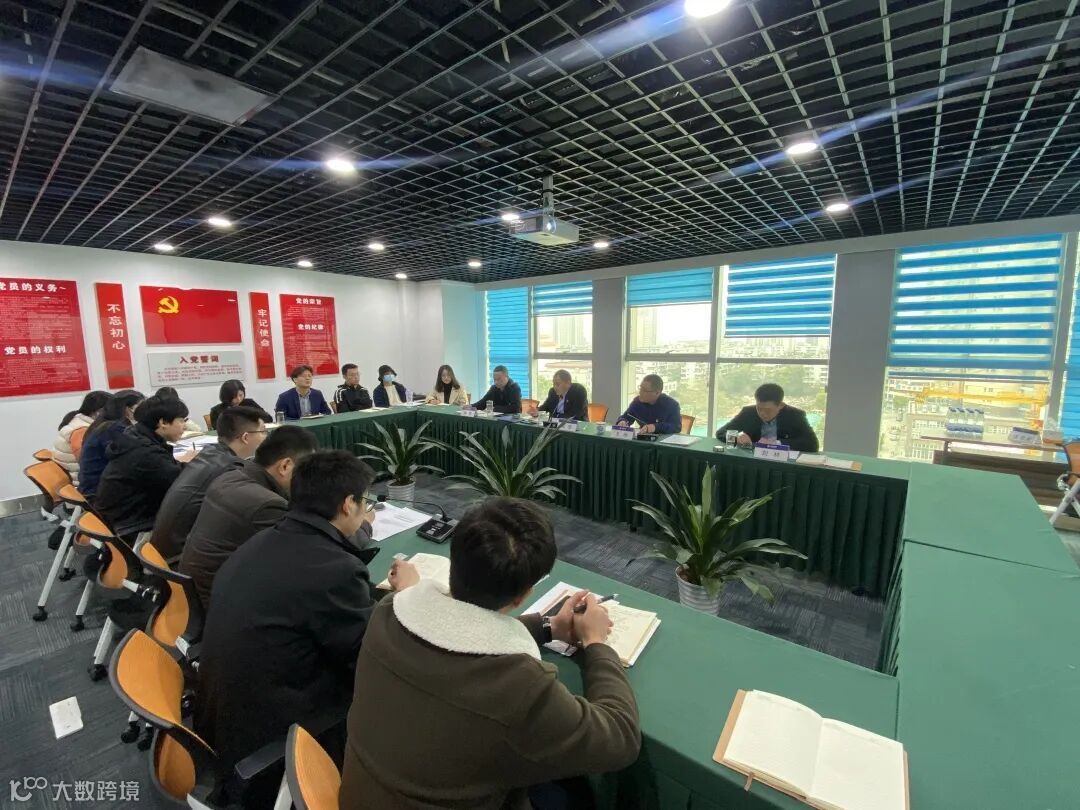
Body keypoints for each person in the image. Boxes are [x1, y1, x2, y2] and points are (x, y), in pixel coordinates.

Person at [339, 497, 641, 809]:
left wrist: (549, 627)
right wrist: (596, 642)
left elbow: (460, 632)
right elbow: (620, 739)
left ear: (454, 561)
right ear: (524, 595)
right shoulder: (522, 685)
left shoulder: (389, 610)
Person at [195, 450, 392, 807]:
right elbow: (367, 658)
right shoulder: (334, 569)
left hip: (222, 717)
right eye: (365, 501)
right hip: (273, 735)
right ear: (348, 504)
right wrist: (400, 601)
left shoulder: (264, 540)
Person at [180, 426, 318, 607]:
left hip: (193, 590)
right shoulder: (267, 505)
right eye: (306, 471)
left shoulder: (229, 478)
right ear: (285, 466)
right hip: (219, 604)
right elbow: (303, 558)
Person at [149, 406, 269, 560]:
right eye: (263, 432)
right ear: (245, 437)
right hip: (180, 557)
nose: (266, 437)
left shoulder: (210, 453)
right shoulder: (230, 470)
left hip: (162, 550)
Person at [94, 395, 196, 539]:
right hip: (132, 526)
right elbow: (182, 483)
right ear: (163, 422)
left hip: (119, 516)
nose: (184, 426)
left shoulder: (134, 437)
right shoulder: (145, 453)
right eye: (181, 421)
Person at [78, 389, 146, 500]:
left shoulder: (104, 424)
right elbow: (132, 460)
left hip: (97, 486)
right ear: (127, 410)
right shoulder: (113, 429)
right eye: (141, 407)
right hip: (98, 493)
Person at [717, 383, 820, 452]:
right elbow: (721, 432)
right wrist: (735, 437)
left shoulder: (795, 415)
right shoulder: (748, 412)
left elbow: (812, 444)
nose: (762, 413)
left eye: (768, 410)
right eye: (759, 408)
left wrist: (775, 443)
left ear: (780, 405)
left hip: (781, 464)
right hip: (752, 461)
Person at [52, 391, 111, 486]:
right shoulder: (82, 430)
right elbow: (87, 461)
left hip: (77, 474)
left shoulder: (77, 419)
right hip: (79, 481)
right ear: (99, 411)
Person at [617, 374, 681, 435]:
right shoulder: (637, 402)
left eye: (644, 390)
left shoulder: (672, 405)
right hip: (643, 439)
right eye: (640, 388)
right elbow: (626, 416)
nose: (640, 392)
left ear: (657, 392)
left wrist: (655, 427)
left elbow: (676, 427)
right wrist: (622, 421)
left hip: (663, 440)